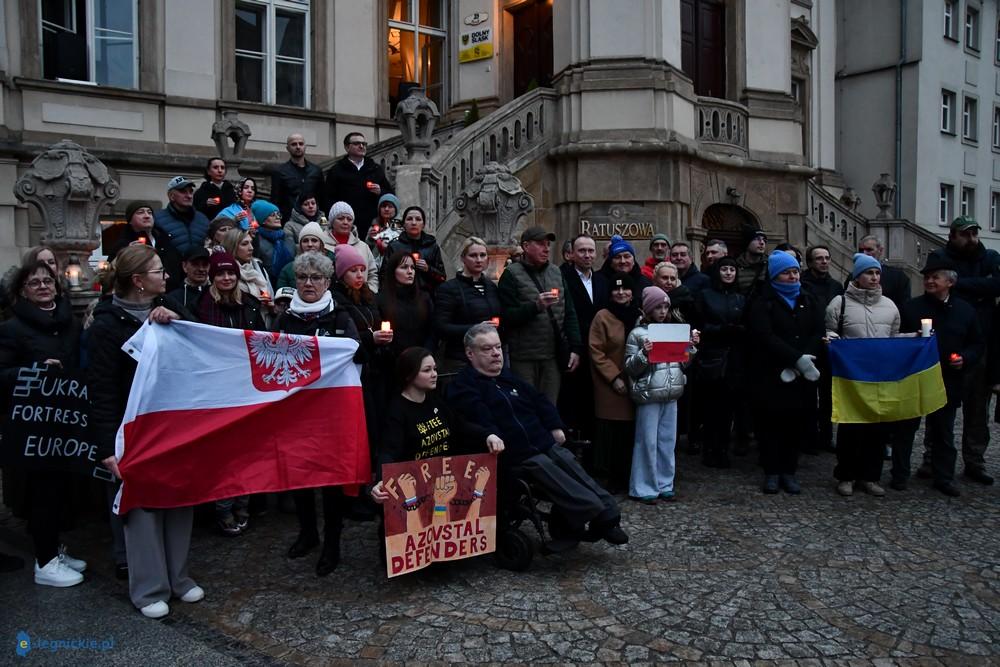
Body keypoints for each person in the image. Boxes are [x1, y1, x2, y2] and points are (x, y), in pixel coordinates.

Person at [87, 244, 202, 619]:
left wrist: (178, 316)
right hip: (133, 429)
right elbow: (101, 390)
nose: (165, 276)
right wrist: (108, 447)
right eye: (158, 271)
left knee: (179, 501)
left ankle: (178, 577)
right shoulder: (106, 325)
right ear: (138, 281)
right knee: (142, 509)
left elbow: (198, 337)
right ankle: (149, 588)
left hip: (173, 423)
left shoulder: (169, 304)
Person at [448, 323, 628, 545]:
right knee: (546, 466)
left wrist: (555, 425)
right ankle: (596, 514)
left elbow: (540, 401)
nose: (496, 353)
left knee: (567, 461)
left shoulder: (509, 378)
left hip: (540, 441)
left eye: (498, 347)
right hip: (512, 452)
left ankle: (609, 514)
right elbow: (477, 419)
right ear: (470, 353)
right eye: (487, 349)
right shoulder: (465, 386)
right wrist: (492, 435)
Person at [274, 252, 364, 575]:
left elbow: (358, 353)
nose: (308, 283)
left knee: (330, 480)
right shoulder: (285, 320)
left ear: (327, 282)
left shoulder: (340, 317)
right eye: (302, 277)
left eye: (315, 278)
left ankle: (332, 543)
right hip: (296, 412)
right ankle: (308, 533)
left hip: (330, 414)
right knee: (300, 475)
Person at [0, 261, 85, 587]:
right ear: (23, 291)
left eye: (47, 281)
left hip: (65, 420)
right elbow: (2, 375)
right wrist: (33, 371)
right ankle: (45, 560)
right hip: (33, 427)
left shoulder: (70, 322)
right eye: (34, 283)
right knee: (41, 493)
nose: (43, 287)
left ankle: (54, 549)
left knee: (62, 490)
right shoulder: (11, 328)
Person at [896, 255, 984, 496]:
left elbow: (977, 343)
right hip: (914, 378)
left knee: (944, 431)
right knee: (906, 429)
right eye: (927, 277)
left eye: (935, 277)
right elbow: (897, 340)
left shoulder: (965, 310)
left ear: (950, 282)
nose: (929, 281)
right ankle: (900, 474)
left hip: (948, 380)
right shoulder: (911, 308)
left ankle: (943, 477)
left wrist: (964, 358)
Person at [924, 216, 999, 485]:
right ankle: (932, 457)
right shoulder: (939, 257)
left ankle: (975, 460)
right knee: (939, 404)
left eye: (974, 233)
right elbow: (938, 288)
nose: (971, 239)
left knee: (978, 407)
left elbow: (996, 285)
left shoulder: (990, 257)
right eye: (965, 234)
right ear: (953, 235)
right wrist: (980, 285)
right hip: (949, 338)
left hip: (982, 341)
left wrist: (959, 283)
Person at [195, 252, 267, 534]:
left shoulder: (249, 305)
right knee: (223, 454)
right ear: (212, 277)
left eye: (230, 273)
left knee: (245, 451)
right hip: (216, 389)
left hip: (246, 387)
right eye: (220, 274)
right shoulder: (202, 306)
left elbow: (262, 341)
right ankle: (223, 507)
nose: (226, 278)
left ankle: (243, 502)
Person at [747, 251, 825, 494]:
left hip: (802, 373)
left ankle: (789, 470)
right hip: (771, 372)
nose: (793, 277)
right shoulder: (763, 302)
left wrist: (805, 358)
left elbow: (817, 331)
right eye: (787, 273)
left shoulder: (808, 298)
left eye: (795, 271)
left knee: (796, 422)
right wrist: (794, 358)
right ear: (775, 276)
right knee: (770, 424)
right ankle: (772, 471)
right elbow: (764, 336)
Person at [372, 347, 503, 487]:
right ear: (409, 375)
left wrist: (488, 435)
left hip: (446, 479)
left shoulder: (434, 400)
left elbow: (460, 425)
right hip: (416, 485)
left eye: (434, 369)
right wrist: (382, 480)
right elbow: (388, 451)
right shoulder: (397, 410)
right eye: (427, 370)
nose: (434, 374)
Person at [826, 253, 900, 497]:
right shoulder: (839, 303)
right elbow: (830, 332)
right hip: (851, 377)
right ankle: (846, 475)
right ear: (857, 276)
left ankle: (870, 476)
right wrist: (832, 341)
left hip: (879, 377)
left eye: (877, 273)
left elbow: (893, 339)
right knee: (851, 429)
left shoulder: (890, 306)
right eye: (869, 272)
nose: (874, 277)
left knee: (877, 431)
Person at [625, 286, 697, 503]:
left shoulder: (672, 330)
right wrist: (643, 354)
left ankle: (665, 483)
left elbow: (682, 363)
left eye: (665, 307)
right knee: (647, 441)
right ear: (648, 309)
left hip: (670, 392)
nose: (663, 311)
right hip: (648, 394)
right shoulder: (637, 334)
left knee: (667, 441)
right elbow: (630, 368)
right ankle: (643, 486)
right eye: (658, 307)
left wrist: (690, 348)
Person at [498, 226, 582, 403]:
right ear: (526, 246)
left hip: (552, 357)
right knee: (525, 407)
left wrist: (575, 348)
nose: (546, 249)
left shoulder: (556, 272)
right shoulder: (511, 275)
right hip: (523, 358)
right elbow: (507, 316)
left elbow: (569, 312)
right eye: (540, 244)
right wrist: (535, 307)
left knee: (549, 407)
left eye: (548, 244)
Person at [589, 272, 641, 491]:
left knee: (630, 432)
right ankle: (611, 477)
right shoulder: (602, 316)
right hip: (611, 384)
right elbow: (596, 350)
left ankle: (629, 475)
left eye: (625, 289)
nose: (621, 293)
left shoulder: (639, 315)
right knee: (612, 433)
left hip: (635, 381)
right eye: (616, 289)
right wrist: (614, 377)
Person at [693, 257, 746, 467]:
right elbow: (699, 325)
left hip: (734, 359)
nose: (729, 273)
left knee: (728, 408)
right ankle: (709, 449)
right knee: (710, 407)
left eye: (732, 269)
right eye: (724, 269)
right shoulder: (705, 295)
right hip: (711, 357)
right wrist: (720, 330)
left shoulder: (740, 297)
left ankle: (723, 449)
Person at [558, 233, 610, 442]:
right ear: (571, 254)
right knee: (572, 400)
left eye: (591, 251)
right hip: (574, 349)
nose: (587, 255)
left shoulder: (602, 281)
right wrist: (574, 347)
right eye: (582, 251)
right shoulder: (562, 278)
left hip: (598, 350)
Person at [432, 236, 501, 374]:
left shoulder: (491, 287)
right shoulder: (449, 289)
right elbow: (441, 327)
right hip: (461, 358)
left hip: (489, 357)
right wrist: (475, 328)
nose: (479, 260)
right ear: (463, 258)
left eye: (482, 255)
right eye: (473, 255)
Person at [324, 132, 393, 239]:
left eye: (364, 144)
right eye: (357, 143)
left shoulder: (375, 168)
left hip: (372, 224)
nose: (361, 146)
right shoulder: (337, 170)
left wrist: (380, 191)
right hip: (347, 224)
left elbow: (390, 195)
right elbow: (328, 199)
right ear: (347, 147)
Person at [113, 200, 183, 291]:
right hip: (140, 293)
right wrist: (127, 254)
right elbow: (113, 272)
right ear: (130, 220)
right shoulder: (124, 243)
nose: (147, 216)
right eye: (140, 212)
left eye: (149, 212)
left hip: (169, 292)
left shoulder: (165, 239)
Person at [153, 176, 210, 287]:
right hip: (169, 281)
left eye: (191, 192)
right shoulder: (157, 219)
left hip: (198, 280)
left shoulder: (202, 219)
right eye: (183, 192)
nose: (189, 196)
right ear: (171, 196)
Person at [376, 251, 434, 361]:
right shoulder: (381, 300)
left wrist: (425, 353)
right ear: (393, 271)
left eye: (413, 268)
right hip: (391, 360)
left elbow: (432, 330)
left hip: (421, 358)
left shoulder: (424, 298)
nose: (410, 271)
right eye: (404, 267)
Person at [385, 205, 446, 295]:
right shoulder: (394, 246)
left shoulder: (432, 247)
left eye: (418, 219)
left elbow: (442, 277)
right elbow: (385, 274)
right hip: (399, 296)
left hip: (427, 297)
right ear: (404, 224)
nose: (414, 223)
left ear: (423, 224)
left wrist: (428, 269)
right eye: (409, 219)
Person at [270, 133, 326, 222]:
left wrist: (323, 222)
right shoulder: (279, 172)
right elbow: (275, 201)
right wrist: (277, 223)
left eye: (301, 144)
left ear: (305, 146)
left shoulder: (316, 171)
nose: (298, 147)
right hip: (289, 221)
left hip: (313, 221)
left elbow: (322, 200)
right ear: (287, 148)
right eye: (294, 144)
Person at [329, 201, 379, 293]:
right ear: (332, 221)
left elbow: (373, 274)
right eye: (340, 218)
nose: (345, 222)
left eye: (349, 219)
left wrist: (369, 293)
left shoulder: (363, 246)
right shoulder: (320, 244)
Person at [220, 228, 273, 305]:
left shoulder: (258, 267)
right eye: (244, 244)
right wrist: (255, 303)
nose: (251, 248)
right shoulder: (223, 271)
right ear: (232, 246)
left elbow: (271, 297)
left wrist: (270, 306)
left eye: (251, 243)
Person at [857, 235, 912, 309]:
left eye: (869, 249)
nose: (864, 253)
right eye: (861, 250)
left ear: (880, 250)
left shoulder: (899, 277)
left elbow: (905, 308)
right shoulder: (853, 277)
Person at [276, 221, 336, 289]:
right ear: (300, 245)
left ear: (321, 244)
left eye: (314, 240)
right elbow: (282, 293)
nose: (310, 244)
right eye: (305, 241)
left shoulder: (333, 266)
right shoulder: (288, 269)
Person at [251, 199, 294, 284]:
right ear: (263, 220)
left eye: (278, 214)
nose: (277, 217)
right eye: (273, 215)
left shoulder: (287, 238)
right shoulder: (255, 240)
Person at [736, 229, 768, 296]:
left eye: (764, 240)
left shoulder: (770, 265)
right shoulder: (735, 267)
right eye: (757, 239)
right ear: (747, 243)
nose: (762, 243)